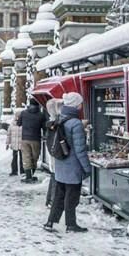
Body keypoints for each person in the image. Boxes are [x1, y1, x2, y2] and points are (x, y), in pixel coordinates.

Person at [44, 92, 90, 233]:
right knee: (72, 198)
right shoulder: (76, 124)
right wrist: (87, 168)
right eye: (80, 103)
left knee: (59, 196)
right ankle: (71, 225)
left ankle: (50, 222)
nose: (81, 106)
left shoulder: (60, 119)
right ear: (76, 105)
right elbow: (80, 150)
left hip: (61, 163)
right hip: (73, 167)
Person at [18, 99, 49, 183]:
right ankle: (31, 174)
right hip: (36, 139)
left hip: (25, 139)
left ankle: (28, 176)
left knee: (26, 157)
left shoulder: (23, 113)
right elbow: (45, 127)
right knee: (34, 157)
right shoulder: (41, 115)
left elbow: (19, 123)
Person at [7, 107, 24, 177]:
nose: (17, 117)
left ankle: (22, 170)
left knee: (22, 158)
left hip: (22, 144)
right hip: (14, 144)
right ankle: (14, 170)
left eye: (19, 116)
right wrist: (7, 143)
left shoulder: (24, 124)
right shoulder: (12, 124)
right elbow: (9, 134)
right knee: (14, 158)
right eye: (16, 116)